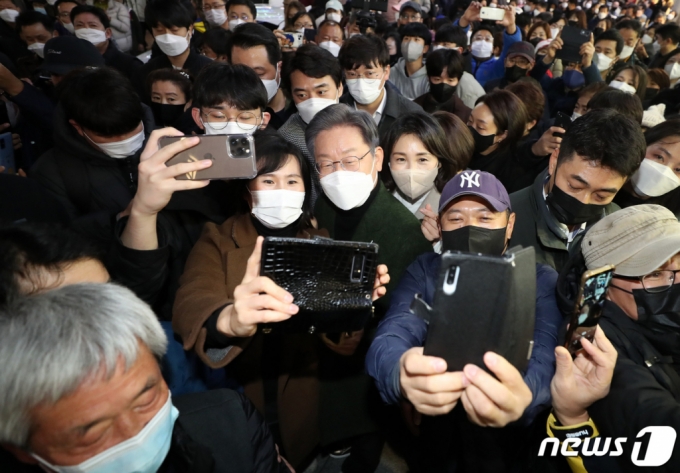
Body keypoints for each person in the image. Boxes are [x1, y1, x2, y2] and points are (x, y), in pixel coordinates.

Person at [172, 133, 390, 469]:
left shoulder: (319, 240)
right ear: (247, 192)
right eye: (268, 180)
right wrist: (229, 319)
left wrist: (353, 306)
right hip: (241, 392)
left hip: (300, 401)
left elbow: (336, 339)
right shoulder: (216, 239)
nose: (282, 190)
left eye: (292, 181)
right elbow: (191, 302)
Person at [366, 170, 562, 471]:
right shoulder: (425, 269)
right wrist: (401, 377)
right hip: (437, 434)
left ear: (509, 225)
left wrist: (523, 396)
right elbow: (393, 333)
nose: (469, 227)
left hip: (508, 445)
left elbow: (546, 357)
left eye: (485, 218)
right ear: (440, 227)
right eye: (455, 218)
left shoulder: (540, 279)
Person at [0, 283, 289, 472]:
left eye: (146, 399)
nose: (135, 434)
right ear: (21, 448)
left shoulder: (231, 423)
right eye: (90, 431)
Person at [306, 104, 432, 472]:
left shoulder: (405, 233)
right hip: (318, 371)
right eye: (326, 164)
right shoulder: (320, 211)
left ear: (377, 158)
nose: (338, 173)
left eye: (349, 160)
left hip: (369, 383)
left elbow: (413, 319)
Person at [551, 204, 680, 471]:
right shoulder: (592, 344)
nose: (675, 283)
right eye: (654, 274)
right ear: (606, 285)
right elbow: (656, 425)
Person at [509, 108, 646, 272]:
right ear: (554, 161)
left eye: (601, 196)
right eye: (575, 186)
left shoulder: (620, 228)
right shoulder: (503, 218)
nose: (583, 201)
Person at [29, 67, 153, 246]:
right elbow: (58, 240)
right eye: (107, 136)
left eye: (132, 129)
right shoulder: (51, 172)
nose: (124, 140)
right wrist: (122, 218)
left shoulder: (167, 144)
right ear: (78, 127)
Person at [279, 43, 341, 201]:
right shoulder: (287, 140)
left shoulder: (360, 127)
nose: (313, 101)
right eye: (302, 95)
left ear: (339, 88)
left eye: (321, 92)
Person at [381, 111, 468, 220]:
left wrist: (443, 236)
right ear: (388, 161)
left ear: (439, 162)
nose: (411, 170)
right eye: (401, 159)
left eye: (422, 159)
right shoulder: (375, 199)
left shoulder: (455, 205)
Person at [338, 34, 422, 140]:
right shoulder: (335, 113)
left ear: (386, 72)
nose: (361, 82)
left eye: (369, 73)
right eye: (352, 74)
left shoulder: (412, 115)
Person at [137, 0, 212, 100]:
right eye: (160, 31)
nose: (168, 37)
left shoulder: (210, 71)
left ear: (190, 29)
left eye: (174, 30)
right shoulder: (145, 73)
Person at [229, 23, 290, 130]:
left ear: (279, 68)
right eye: (242, 74)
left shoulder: (299, 107)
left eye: (259, 74)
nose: (250, 81)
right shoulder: (223, 117)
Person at [613, 120, 680, 217]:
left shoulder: (669, 218)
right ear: (642, 145)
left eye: (678, 169)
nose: (664, 172)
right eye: (659, 157)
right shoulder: (597, 182)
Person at [456, 2, 521, 87]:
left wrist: (511, 25)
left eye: (487, 39)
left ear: (494, 49)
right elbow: (453, 41)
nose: (482, 42)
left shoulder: (498, 66)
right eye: (478, 38)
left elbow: (513, 47)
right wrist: (465, 19)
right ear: (470, 46)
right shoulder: (459, 62)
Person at [71, 4, 143, 81]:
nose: (86, 30)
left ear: (108, 33)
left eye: (93, 25)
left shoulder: (130, 65)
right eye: (79, 25)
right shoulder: (70, 63)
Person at [413, 48, 471, 122]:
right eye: (437, 79)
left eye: (450, 80)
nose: (444, 85)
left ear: (458, 80)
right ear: (428, 78)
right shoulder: (413, 108)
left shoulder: (467, 115)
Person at [389, 22, 431, 100]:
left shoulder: (429, 78)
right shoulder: (392, 72)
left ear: (425, 48)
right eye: (406, 39)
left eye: (416, 39)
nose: (410, 43)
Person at [147, 68, 196, 132]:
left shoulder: (196, 131)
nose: (163, 103)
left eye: (171, 99)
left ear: (189, 103)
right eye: (157, 98)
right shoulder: (146, 127)